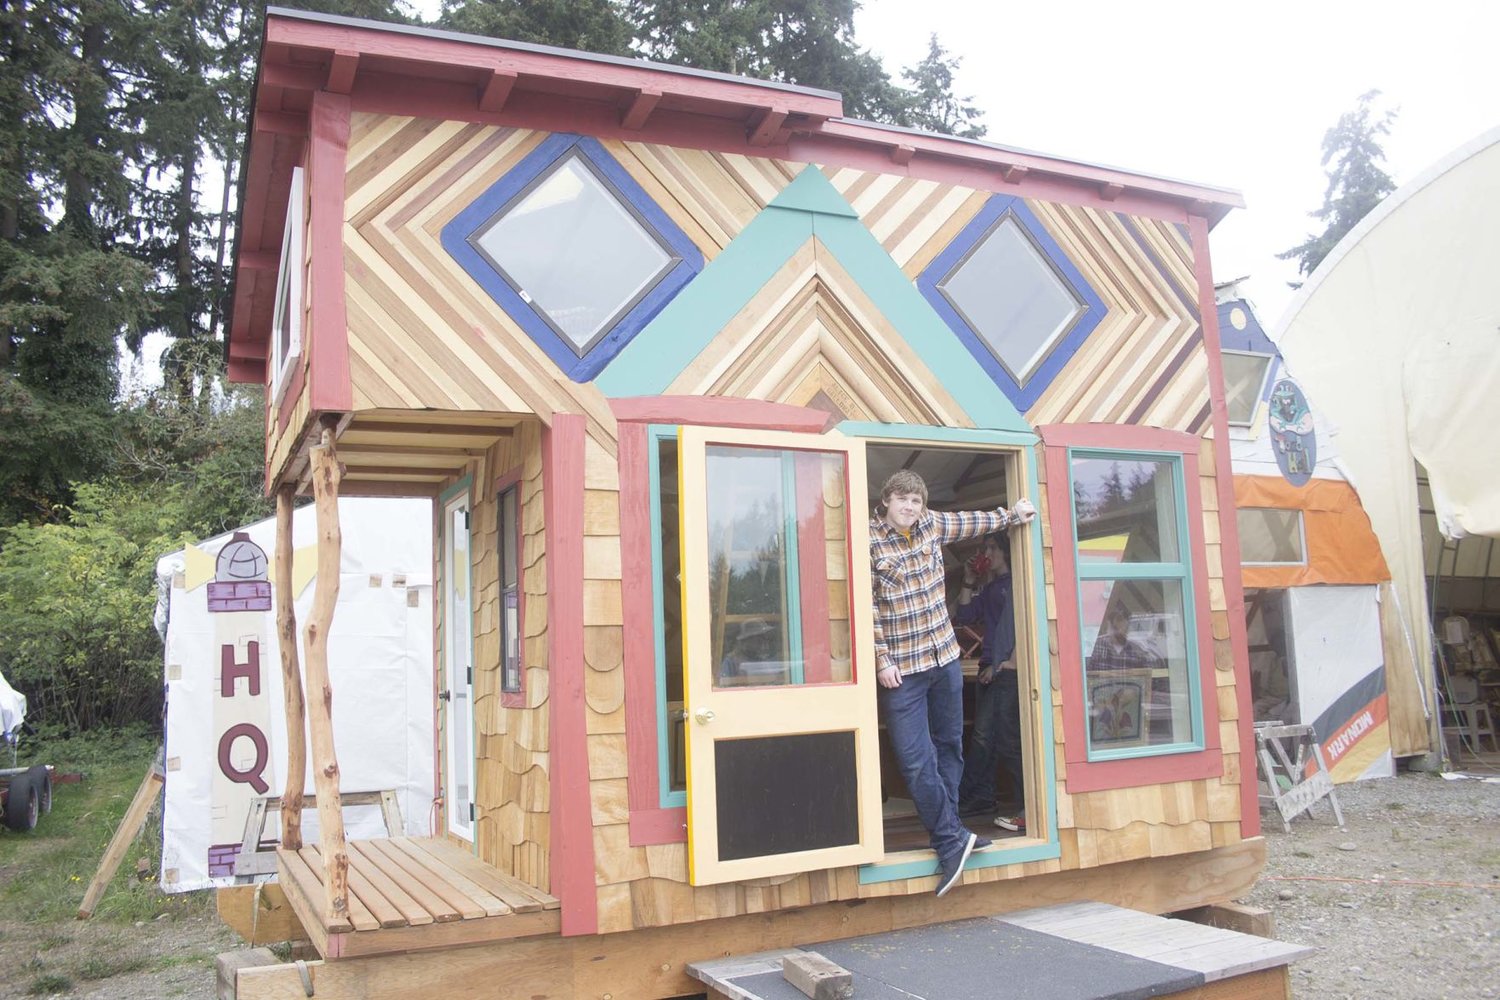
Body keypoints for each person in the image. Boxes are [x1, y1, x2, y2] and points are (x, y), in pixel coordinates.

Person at [870, 470, 1035, 897]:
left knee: (950, 747)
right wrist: (882, 659)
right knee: (914, 758)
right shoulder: (869, 541)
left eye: (916, 501)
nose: (910, 507)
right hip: (901, 670)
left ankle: (952, 833)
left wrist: (1013, 515)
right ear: (887, 500)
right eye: (903, 499)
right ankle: (950, 839)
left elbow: (976, 521)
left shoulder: (933, 525)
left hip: (943, 657)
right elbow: (866, 607)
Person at [953, 533, 1026, 834]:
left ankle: (1028, 806)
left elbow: (1022, 625)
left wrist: (1005, 664)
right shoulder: (992, 587)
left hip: (1006, 669)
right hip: (992, 667)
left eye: (993, 548)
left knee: (1005, 739)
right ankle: (980, 797)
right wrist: (969, 580)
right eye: (985, 549)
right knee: (986, 738)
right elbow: (964, 614)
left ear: (1008, 552)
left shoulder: (1016, 584)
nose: (987, 553)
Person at [1087, 607, 1163, 673]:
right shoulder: (1097, 647)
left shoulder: (1137, 651)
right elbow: (1087, 677)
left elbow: (1152, 675)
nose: (1118, 632)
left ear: (1127, 627)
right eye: (1114, 628)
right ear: (1108, 626)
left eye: (1122, 627)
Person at [719, 618, 778, 684]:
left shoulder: (767, 659)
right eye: (758, 640)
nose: (763, 643)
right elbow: (724, 687)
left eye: (765, 639)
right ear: (746, 641)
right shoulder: (731, 662)